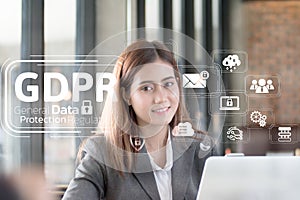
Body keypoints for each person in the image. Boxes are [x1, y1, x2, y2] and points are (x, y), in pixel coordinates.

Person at [62, 40, 217, 200]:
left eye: (168, 84)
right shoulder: (102, 154)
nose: (161, 97)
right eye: (147, 88)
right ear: (126, 95)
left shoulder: (201, 150)